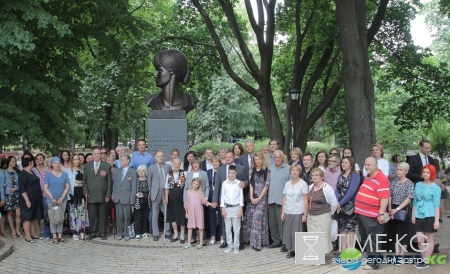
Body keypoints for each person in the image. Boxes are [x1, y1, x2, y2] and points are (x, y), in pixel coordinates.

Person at [355, 157, 390, 270]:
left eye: (369, 165)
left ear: (376, 166)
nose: (366, 166)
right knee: (366, 239)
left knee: (373, 240)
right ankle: (370, 258)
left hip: (372, 215)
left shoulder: (382, 179)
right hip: (362, 213)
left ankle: (373, 263)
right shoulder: (369, 177)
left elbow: (384, 198)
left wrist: (380, 214)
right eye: (365, 164)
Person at [211, 151, 249, 250]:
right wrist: (215, 200)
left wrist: (244, 184)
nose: (228, 159)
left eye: (230, 157)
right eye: (226, 157)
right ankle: (226, 242)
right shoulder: (220, 169)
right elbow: (217, 185)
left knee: (237, 222)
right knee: (225, 223)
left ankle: (239, 242)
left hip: (237, 201)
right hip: (224, 201)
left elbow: (246, 180)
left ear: (233, 158)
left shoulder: (240, 168)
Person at [145, 49, 198, 113]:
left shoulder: (190, 101)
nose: (155, 75)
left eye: (159, 70)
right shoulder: (151, 100)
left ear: (172, 70)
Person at [412, 164, 441, 269]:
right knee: (420, 239)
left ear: (432, 174)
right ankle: (423, 258)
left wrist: (437, 220)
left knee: (429, 239)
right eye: (424, 172)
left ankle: (425, 260)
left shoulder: (435, 188)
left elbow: (437, 205)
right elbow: (415, 201)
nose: (425, 174)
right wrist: (413, 215)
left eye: (428, 172)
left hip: (430, 214)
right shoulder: (418, 185)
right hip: (419, 213)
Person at [307, 168, 338, 256]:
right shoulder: (310, 187)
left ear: (321, 177)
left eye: (316, 175)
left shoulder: (327, 188)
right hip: (311, 216)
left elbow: (334, 203)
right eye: (313, 175)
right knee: (312, 237)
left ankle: (320, 256)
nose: (314, 177)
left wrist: (329, 213)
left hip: (323, 216)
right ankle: (314, 255)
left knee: (322, 237)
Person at [83, 148, 112, 240]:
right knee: (92, 214)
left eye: (98, 153)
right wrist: (86, 192)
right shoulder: (87, 166)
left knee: (103, 214)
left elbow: (109, 182)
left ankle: (103, 232)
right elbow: (85, 181)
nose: (96, 155)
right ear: (92, 155)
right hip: (91, 194)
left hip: (102, 194)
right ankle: (93, 232)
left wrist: (108, 195)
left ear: (101, 155)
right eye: (94, 154)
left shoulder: (106, 165)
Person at [388, 162, 414, 265]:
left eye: (400, 170)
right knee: (395, 234)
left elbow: (408, 199)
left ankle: (401, 256)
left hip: (403, 210)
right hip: (393, 209)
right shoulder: (394, 183)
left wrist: (397, 209)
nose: (398, 171)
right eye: (397, 169)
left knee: (404, 233)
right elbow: (390, 196)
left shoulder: (409, 183)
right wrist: (390, 209)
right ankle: (397, 254)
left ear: (406, 171)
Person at [266, 150, 291, 252]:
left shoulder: (288, 169)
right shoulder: (270, 169)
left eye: (279, 157)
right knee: (273, 222)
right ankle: (276, 242)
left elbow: (290, 185)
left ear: (282, 158)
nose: (277, 159)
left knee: (282, 223)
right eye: (275, 157)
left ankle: (285, 242)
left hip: (283, 200)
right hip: (271, 199)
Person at [282, 164, 308, 258]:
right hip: (288, 210)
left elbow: (305, 200)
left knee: (296, 231)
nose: (294, 172)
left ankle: (297, 251)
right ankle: (291, 249)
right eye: (293, 170)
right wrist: (282, 212)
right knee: (288, 231)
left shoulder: (303, 184)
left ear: (299, 172)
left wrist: (305, 214)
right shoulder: (287, 183)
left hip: (298, 211)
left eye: (296, 170)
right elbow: (284, 198)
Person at [245, 153, 270, 251]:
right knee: (253, 219)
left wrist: (259, 198)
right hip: (253, 196)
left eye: (259, 159)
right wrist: (251, 197)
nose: (257, 161)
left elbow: (266, 185)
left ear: (262, 160)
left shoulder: (267, 170)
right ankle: (259, 241)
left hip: (262, 197)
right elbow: (251, 184)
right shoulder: (251, 171)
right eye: (256, 159)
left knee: (257, 218)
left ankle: (258, 244)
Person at [335, 156, 360, 250]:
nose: (343, 164)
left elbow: (351, 192)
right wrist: (337, 202)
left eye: (346, 163)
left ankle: (351, 252)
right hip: (340, 206)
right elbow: (337, 189)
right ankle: (343, 251)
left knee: (350, 230)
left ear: (351, 164)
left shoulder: (354, 176)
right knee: (342, 229)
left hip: (350, 206)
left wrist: (340, 203)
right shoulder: (340, 175)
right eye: (343, 162)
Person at [44, 157, 70, 244]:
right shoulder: (48, 175)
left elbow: (67, 186)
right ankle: (54, 235)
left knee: (60, 217)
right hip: (51, 200)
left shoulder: (64, 174)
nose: (57, 165)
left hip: (62, 199)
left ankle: (60, 235)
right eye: (55, 163)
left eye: (59, 163)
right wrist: (52, 198)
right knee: (53, 217)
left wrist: (62, 197)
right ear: (52, 164)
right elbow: (45, 187)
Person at [183, 157, 209, 244]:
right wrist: (185, 200)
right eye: (194, 163)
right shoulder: (189, 174)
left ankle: (202, 239)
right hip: (191, 200)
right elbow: (186, 187)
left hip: (200, 199)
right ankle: (192, 238)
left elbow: (207, 187)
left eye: (197, 163)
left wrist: (206, 198)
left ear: (199, 164)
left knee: (201, 219)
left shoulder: (204, 174)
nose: (195, 165)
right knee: (191, 219)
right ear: (192, 165)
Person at [148, 150, 172, 241]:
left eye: (161, 156)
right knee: (155, 214)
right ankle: (155, 233)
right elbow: (149, 181)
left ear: (164, 157)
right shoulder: (151, 168)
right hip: (155, 193)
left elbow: (170, 180)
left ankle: (167, 232)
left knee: (166, 213)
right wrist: (151, 193)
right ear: (155, 158)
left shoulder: (168, 167)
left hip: (165, 192)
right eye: (158, 156)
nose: (160, 158)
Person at [112, 155, 136, 241]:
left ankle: (126, 233)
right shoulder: (118, 171)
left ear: (128, 161)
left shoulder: (132, 172)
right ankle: (119, 233)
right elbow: (115, 184)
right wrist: (113, 194)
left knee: (127, 217)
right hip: (118, 197)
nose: (120, 161)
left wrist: (132, 199)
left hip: (127, 198)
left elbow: (134, 187)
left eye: (122, 160)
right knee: (119, 216)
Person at [221, 166, 244, 254]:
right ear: (228, 173)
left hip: (236, 207)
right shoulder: (224, 183)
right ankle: (229, 245)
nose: (231, 174)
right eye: (230, 173)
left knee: (236, 229)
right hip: (227, 207)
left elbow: (241, 197)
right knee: (228, 228)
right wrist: (222, 208)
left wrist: (240, 209)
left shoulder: (239, 183)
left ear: (236, 173)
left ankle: (236, 246)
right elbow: (222, 196)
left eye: (233, 173)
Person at [19, 157, 44, 243]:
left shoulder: (32, 171)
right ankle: (28, 236)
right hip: (28, 199)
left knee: (33, 217)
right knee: (27, 218)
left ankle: (33, 234)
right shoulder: (23, 173)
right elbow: (22, 188)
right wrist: (27, 200)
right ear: (30, 162)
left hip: (36, 198)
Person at [164, 159, 186, 243]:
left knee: (182, 216)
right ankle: (176, 234)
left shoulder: (184, 173)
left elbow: (186, 186)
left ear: (180, 165)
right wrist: (166, 197)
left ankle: (182, 235)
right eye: (175, 164)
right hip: (171, 197)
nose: (177, 165)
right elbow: (166, 187)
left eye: (178, 164)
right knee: (172, 216)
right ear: (172, 164)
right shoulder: (169, 174)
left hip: (181, 198)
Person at [66, 154, 86, 240]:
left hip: (81, 194)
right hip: (73, 195)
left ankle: (81, 230)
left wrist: (80, 184)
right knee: (73, 214)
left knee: (81, 213)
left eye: (78, 159)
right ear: (71, 161)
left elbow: (85, 182)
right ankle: (75, 232)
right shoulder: (68, 171)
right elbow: (67, 185)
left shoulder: (83, 170)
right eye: (74, 160)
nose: (77, 161)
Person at [1, 156, 22, 238]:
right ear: (8, 162)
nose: (14, 162)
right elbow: (1, 187)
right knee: (9, 213)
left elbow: (21, 184)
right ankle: (12, 230)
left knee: (18, 214)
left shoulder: (17, 172)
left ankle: (17, 230)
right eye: (13, 161)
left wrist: (16, 188)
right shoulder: (3, 172)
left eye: (15, 161)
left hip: (17, 194)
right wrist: (3, 198)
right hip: (8, 195)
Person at [184, 177, 205, 248]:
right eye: (194, 183)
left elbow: (203, 201)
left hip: (199, 211)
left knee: (200, 227)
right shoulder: (188, 192)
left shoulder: (201, 193)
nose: (195, 185)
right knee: (190, 227)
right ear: (191, 184)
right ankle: (189, 242)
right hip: (191, 211)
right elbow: (186, 204)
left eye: (197, 184)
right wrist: (186, 213)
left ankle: (201, 242)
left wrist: (210, 204)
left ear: (199, 185)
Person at [206, 156, 223, 245]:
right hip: (210, 197)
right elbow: (206, 185)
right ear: (211, 163)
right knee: (212, 218)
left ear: (219, 163)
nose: (215, 163)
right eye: (214, 162)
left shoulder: (222, 172)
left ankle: (222, 236)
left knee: (221, 218)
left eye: (217, 162)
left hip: (220, 198)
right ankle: (213, 236)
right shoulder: (208, 172)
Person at [134, 165, 150, 240]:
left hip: (147, 201)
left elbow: (150, 191)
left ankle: (144, 232)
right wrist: (136, 194)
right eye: (139, 171)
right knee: (138, 218)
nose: (141, 172)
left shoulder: (148, 180)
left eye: (143, 171)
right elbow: (133, 190)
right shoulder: (136, 180)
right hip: (138, 201)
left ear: (145, 172)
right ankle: (137, 233)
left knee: (145, 217)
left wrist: (145, 195)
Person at [39, 156, 53, 240]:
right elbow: (42, 186)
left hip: (56, 197)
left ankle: (55, 233)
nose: (51, 163)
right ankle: (47, 234)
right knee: (47, 216)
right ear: (47, 163)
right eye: (50, 161)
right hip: (46, 197)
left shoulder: (59, 172)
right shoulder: (44, 173)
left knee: (55, 215)